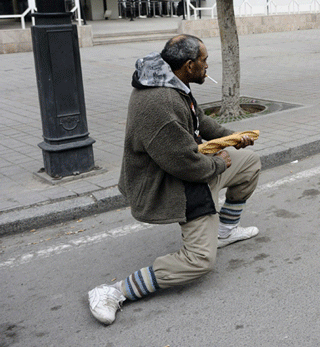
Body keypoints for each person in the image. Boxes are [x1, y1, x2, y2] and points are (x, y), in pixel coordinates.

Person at [87, 35, 261, 325]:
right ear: (189, 65)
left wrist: (232, 138)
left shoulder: (171, 81)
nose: (208, 65)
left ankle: (226, 231)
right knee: (200, 261)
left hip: (190, 166)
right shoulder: (160, 102)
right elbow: (184, 164)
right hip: (171, 183)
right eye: (204, 60)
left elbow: (200, 123)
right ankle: (113, 291)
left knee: (249, 163)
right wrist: (219, 162)